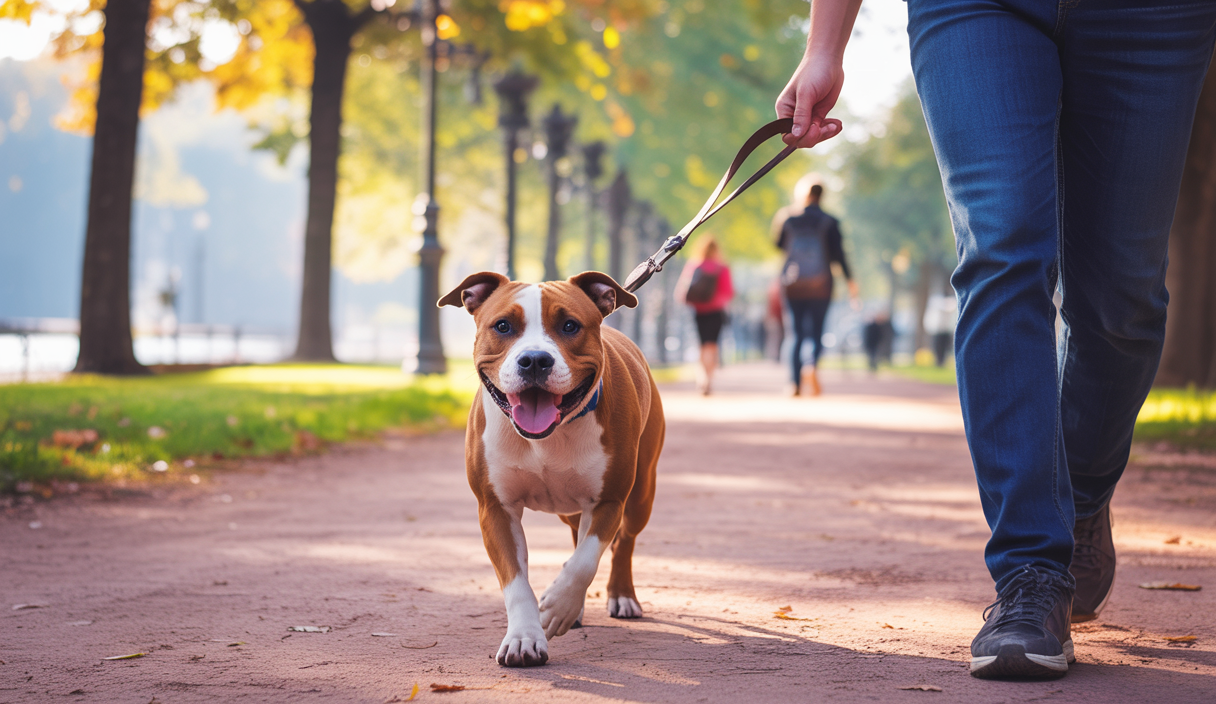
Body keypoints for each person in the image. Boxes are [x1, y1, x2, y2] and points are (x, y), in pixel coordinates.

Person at [777, 0, 1216, 681]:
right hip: (974, 10)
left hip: (1150, 17)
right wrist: (824, 45)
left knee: (1121, 298)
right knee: (1002, 247)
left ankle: (1083, 494)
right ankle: (1031, 573)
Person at [772, 174, 859, 396]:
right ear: (823, 196)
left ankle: (793, 383)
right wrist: (850, 281)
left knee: (795, 334)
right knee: (817, 331)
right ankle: (811, 366)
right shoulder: (830, 221)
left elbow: (778, 245)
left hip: (792, 283)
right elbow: (839, 255)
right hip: (822, 283)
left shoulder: (788, 218)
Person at [676, 235, 733, 396]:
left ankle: (701, 378)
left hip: (698, 311)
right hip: (716, 312)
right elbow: (728, 292)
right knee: (712, 346)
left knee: (701, 345)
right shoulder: (722, 268)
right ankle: (708, 379)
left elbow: (683, 289)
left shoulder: (694, 265)